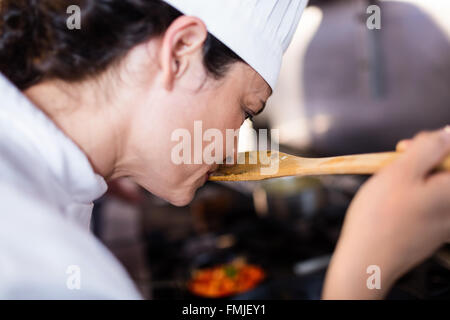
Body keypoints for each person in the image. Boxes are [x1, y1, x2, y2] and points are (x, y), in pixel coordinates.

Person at [0, 0, 448, 299]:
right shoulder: (41, 261)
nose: (234, 146)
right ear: (181, 51)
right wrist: (365, 269)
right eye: (246, 110)